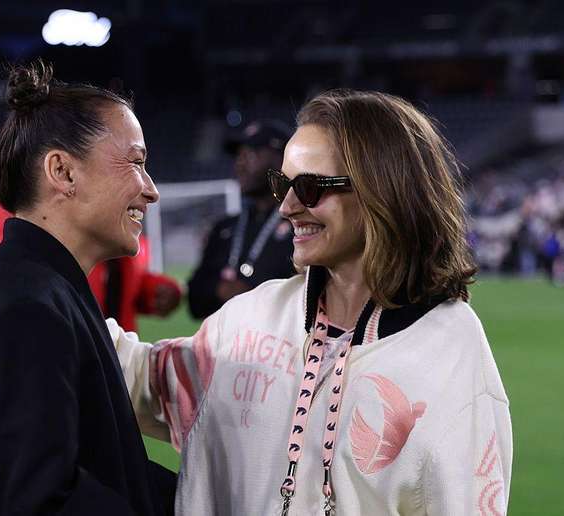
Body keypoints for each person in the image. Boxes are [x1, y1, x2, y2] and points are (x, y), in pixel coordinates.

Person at [109, 90, 512, 515]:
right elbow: (136, 379)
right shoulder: (253, 318)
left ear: (384, 191)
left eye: (310, 187)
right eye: (283, 184)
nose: (287, 206)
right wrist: (46, 279)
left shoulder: (450, 354)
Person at [0, 60, 175, 516]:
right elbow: (46, 501)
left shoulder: (43, 286)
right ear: (63, 171)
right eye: (136, 162)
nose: (151, 191)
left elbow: (106, 468)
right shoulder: (25, 306)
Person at [0, 197, 181, 331]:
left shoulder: (110, 210)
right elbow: (10, 276)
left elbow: (117, 282)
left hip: (111, 360)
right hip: (59, 360)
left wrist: (152, 290)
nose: (149, 190)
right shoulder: (20, 205)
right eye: (133, 162)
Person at [187, 119, 295, 319]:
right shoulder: (225, 228)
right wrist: (220, 289)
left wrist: (250, 294)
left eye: (250, 154)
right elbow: (195, 302)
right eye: (238, 156)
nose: (239, 163)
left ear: (281, 161)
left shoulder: (302, 226)